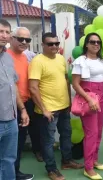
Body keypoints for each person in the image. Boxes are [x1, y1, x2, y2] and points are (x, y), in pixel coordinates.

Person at [28, 32, 83, 180]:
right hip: (48, 110)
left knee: (66, 135)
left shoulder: (60, 59)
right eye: (50, 44)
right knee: (48, 141)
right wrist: (44, 109)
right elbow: (33, 88)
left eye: (56, 44)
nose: (54, 46)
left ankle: (67, 161)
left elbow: (65, 80)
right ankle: (51, 169)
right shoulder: (37, 61)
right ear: (43, 45)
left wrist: (69, 102)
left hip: (64, 106)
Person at [72, 33, 103, 180]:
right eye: (92, 42)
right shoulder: (81, 61)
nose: (96, 44)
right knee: (91, 133)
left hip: (101, 96)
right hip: (89, 96)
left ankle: (94, 160)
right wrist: (89, 99)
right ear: (86, 44)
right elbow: (75, 84)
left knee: (98, 131)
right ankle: (88, 167)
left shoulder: (101, 61)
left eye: (98, 42)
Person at [7, 27, 41, 180]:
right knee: (12, 143)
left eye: (27, 39)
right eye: (20, 38)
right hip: (12, 105)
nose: (24, 42)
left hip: (26, 103)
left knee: (19, 141)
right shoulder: (6, 57)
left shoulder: (25, 57)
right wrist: (22, 110)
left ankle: (15, 172)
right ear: (11, 38)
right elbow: (12, 87)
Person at [0, 19, 30, 180]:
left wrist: (23, 110)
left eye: (6, 32)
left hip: (11, 119)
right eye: (0, 31)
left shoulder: (7, 59)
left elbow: (13, 86)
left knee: (8, 159)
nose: (4, 35)